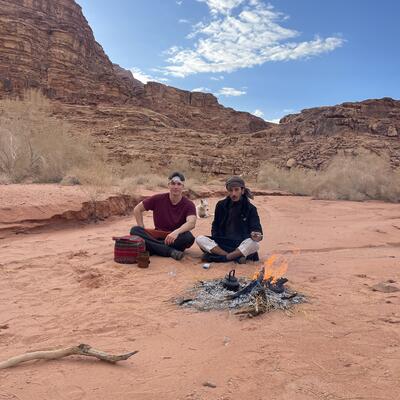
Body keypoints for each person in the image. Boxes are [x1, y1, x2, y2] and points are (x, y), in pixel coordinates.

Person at [130, 172, 197, 260]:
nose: (175, 187)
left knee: (188, 238)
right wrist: (141, 227)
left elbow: (192, 223)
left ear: (183, 186)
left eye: (179, 184)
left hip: (175, 238)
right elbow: (137, 209)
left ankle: (153, 247)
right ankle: (170, 251)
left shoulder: (189, 204)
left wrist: (176, 232)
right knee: (135, 230)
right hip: (158, 236)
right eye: (173, 183)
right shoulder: (158, 199)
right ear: (168, 185)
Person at [196, 176, 263, 263]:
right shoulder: (221, 205)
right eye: (231, 190)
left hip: (240, 244)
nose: (233, 193)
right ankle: (235, 257)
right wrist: (216, 239)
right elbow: (215, 225)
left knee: (254, 244)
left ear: (242, 190)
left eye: (236, 190)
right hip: (223, 243)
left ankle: (221, 258)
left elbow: (257, 230)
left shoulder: (250, 208)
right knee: (200, 239)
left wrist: (256, 235)